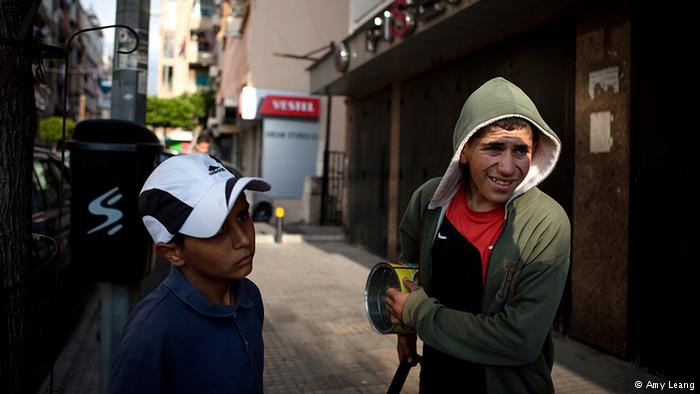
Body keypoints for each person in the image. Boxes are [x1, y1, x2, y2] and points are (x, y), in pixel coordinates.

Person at [385, 77, 570, 394]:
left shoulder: (546, 222)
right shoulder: (431, 202)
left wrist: (418, 313)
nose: (508, 167)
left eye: (520, 150)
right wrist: (405, 329)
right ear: (465, 149)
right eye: (494, 148)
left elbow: (520, 339)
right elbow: (409, 268)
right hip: (437, 380)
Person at [110, 154, 271, 394]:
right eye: (217, 231)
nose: (244, 239)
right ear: (172, 252)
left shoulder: (249, 297)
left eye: (242, 216)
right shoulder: (150, 335)